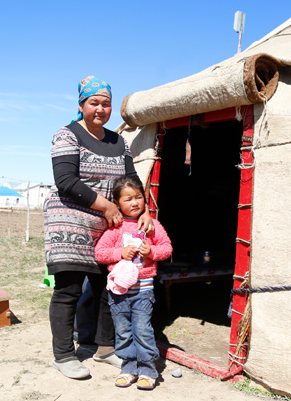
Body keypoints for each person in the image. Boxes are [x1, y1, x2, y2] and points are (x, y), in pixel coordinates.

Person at [43, 76, 154, 380]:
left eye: (106, 103)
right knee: (69, 289)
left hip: (109, 228)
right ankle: (64, 355)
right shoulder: (67, 135)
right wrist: (106, 205)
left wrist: (145, 211)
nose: (101, 108)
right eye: (94, 102)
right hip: (71, 222)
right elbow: (65, 181)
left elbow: (131, 183)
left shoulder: (119, 142)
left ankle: (106, 348)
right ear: (81, 105)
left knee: (111, 286)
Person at [95, 176, 173, 391]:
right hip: (118, 290)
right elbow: (100, 253)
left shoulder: (151, 225)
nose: (134, 203)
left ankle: (148, 369)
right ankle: (128, 368)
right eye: (128, 199)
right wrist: (119, 252)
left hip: (144, 288)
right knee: (123, 330)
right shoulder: (115, 228)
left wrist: (153, 252)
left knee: (142, 329)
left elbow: (167, 248)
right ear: (117, 203)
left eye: (138, 197)